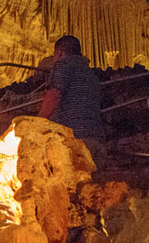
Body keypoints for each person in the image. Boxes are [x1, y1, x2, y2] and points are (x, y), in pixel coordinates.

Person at [38, 35, 106, 168]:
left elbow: (54, 95)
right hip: (97, 143)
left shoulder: (63, 65)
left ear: (59, 53)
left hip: (73, 140)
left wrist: (38, 121)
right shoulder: (92, 75)